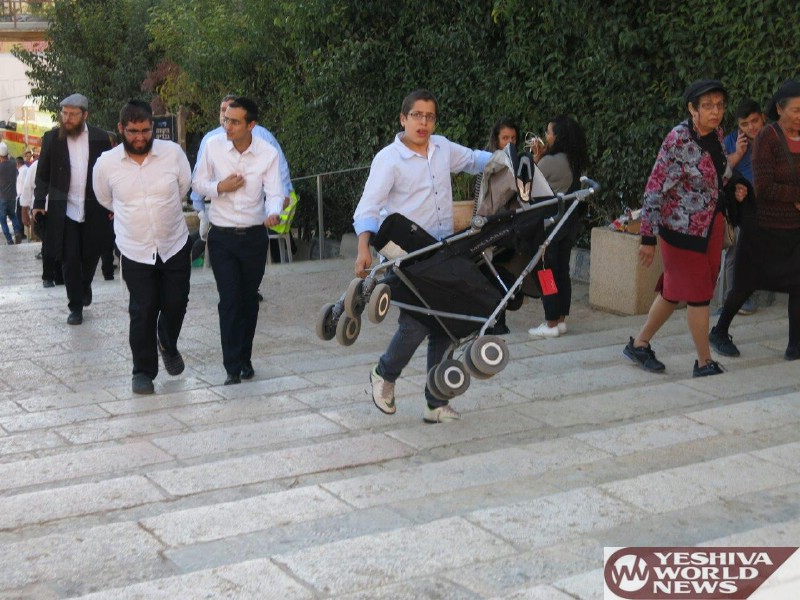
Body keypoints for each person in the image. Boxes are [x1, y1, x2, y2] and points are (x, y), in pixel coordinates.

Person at [354, 89, 492, 423]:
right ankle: (384, 374)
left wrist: (517, 159)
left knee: (446, 323)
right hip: (407, 253)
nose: (423, 122)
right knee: (415, 323)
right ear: (403, 119)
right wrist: (362, 248)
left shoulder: (442, 148)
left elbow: (476, 160)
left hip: (442, 250)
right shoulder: (389, 159)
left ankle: (436, 402)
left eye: (429, 116)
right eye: (417, 115)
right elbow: (368, 207)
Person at [622, 79, 743, 378]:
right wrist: (647, 237)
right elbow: (654, 188)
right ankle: (703, 362)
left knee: (673, 291)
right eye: (708, 106)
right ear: (692, 108)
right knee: (699, 294)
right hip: (681, 232)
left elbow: (717, 174)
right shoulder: (677, 139)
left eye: (720, 105)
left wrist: (736, 186)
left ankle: (639, 344)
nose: (715, 112)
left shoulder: (716, 133)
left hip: (710, 226)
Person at [93, 100, 192, 395]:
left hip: (174, 243)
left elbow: (183, 187)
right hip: (134, 248)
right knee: (143, 308)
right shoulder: (106, 164)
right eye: (133, 131)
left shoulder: (172, 153)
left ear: (152, 127)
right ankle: (143, 372)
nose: (140, 137)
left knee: (176, 301)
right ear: (121, 129)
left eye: (145, 130)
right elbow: (105, 199)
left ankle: (167, 341)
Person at [192, 97, 283, 385]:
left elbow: (275, 192)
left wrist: (273, 212)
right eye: (226, 120)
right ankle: (231, 366)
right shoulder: (212, 146)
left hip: (254, 236)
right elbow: (197, 184)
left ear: (251, 125)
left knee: (248, 300)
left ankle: (245, 358)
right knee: (229, 300)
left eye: (234, 122)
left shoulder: (267, 153)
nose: (227, 126)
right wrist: (221, 187)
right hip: (222, 236)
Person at [709, 79, 800, 361]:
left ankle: (795, 346)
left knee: (799, 283)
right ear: (779, 109)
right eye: (796, 110)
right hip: (764, 227)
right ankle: (719, 331)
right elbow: (763, 187)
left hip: (795, 228)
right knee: (746, 283)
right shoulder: (766, 138)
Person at [32, 93, 114, 325]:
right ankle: (75, 306)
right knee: (69, 258)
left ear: (84, 115)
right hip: (64, 209)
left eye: (72, 114)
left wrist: (113, 203)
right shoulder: (52, 138)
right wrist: (38, 203)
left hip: (94, 207)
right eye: (64, 113)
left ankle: (85, 284)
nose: (67, 118)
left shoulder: (100, 137)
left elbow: (109, 174)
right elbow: (42, 174)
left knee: (91, 254)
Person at [192, 94, 295, 264]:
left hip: (255, 224)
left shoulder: (264, 140)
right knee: (227, 278)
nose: (226, 120)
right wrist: (203, 206)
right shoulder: (210, 142)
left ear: (248, 123)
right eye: (223, 112)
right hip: (221, 226)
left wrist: (278, 202)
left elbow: (279, 172)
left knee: (253, 276)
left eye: (233, 117)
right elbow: (198, 179)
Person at [527, 115, 589, 339]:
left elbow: (526, 184)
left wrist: (536, 158)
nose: (546, 136)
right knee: (562, 271)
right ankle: (560, 320)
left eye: (549, 132)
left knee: (545, 272)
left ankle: (550, 322)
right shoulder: (574, 159)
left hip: (549, 224)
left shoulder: (551, 161)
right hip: (568, 224)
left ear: (559, 136)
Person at [717, 99, 766, 316]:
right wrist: (737, 153)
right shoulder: (732, 141)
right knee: (736, 251)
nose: (750, 127)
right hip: (742, 207)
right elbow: (719, 172)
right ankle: (733, 301)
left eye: (754, 121)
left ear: (763, 118)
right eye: (744, 124)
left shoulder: (774, 138)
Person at [471, 117, 520, 335]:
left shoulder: (515, 164)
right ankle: (493, 320)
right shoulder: (489, 164)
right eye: (505, 138)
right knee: (488, 272)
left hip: (504, 228)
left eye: (513, 138)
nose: (509, 143)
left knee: (493, 272)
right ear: (496, 139)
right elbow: (480, 200)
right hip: (487, 226)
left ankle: (497, 321)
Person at [20, 153, 63, 287]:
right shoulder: (35, 166)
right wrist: (24, 211)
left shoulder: (63, 163)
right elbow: (27, 189)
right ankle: (48, 277)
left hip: (60, 209)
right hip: (42, 210)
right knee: (48, 244)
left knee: (60, 243)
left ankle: (59, 276)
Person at [0, 142, 23, 245]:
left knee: (2, 219)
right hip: (13, 196)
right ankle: (17, 231)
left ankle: (9, 240)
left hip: (2, 197)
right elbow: (17, 173)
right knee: (13, 215)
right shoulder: (13, 164)